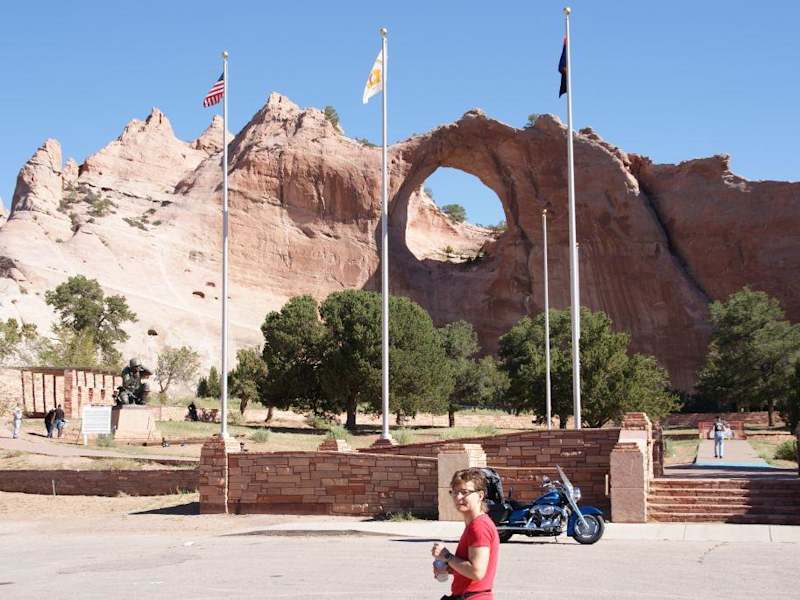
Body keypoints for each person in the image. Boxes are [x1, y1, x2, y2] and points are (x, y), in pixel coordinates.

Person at [431, 468, 499, 600]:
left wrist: (447, 556)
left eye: (464, 492)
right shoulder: (475, 524)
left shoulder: (479, 526)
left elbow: (477, 572)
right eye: (455, 492)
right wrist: (449, 568)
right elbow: (471, 568)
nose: (458, 497)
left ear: (480, 495)